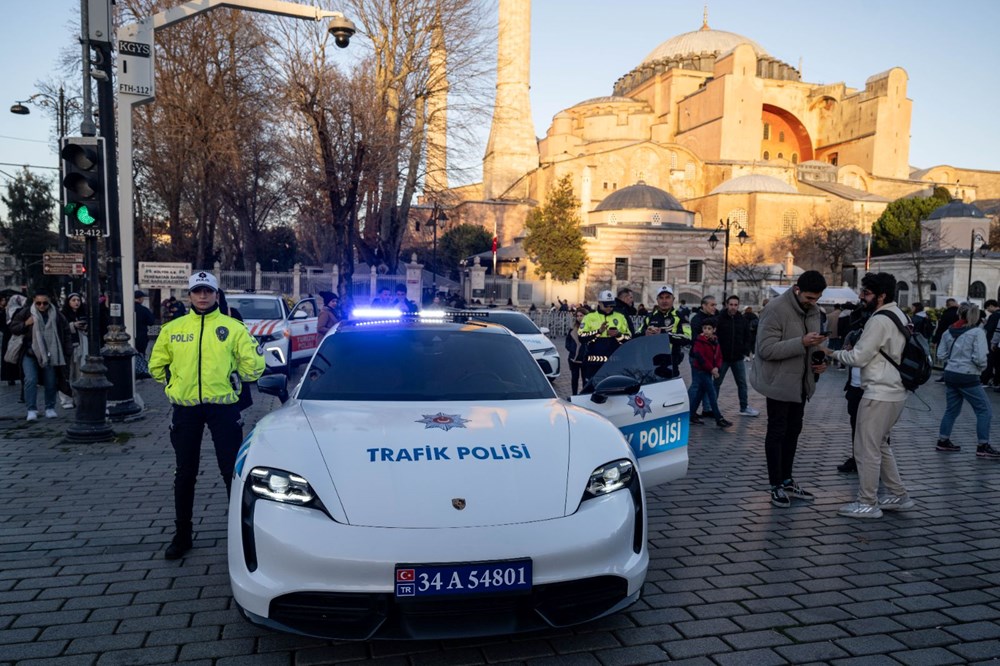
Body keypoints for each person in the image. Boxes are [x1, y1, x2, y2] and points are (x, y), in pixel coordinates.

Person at [149, 272, 265, 560]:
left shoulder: (233, 328)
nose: (203, 296)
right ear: (189, 295)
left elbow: (254, 366)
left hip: (223, 407)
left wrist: (236, 377)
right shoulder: (173, 329)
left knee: (231, 472)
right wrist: (175, 384)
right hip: (186, 408)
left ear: (216, 294)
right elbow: (156, 365)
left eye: (208, 291)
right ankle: (182, 534)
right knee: (185, 472)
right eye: (197, 291)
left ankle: (239, 535)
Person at [824, 272, 912, 518]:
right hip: (896, 390)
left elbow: (859, 357)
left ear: (881, 296)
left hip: (878, 392)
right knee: (880, 444)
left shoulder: (879, 320)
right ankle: (898, 495)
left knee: (866, 449)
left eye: (866, 293)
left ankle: (867, 502)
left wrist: (831, 353)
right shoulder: (899, 314)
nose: (861, 297)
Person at [750, 270, 828, 508]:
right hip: (778, 383)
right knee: (777, 432)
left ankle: (787, 479)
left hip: (801, 383)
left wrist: (819, 361)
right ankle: (775, 485)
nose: (813, 303)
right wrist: (801, 342)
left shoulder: (814, 311)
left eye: (817, 298)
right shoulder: (775, 309)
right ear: (797, 289)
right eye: (809, 298)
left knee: (793, 431)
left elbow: (813, 346)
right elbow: (766, 349)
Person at [934, 302, 997, 458]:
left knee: (951, 410)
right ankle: (983, 445)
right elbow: (980, 357)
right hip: (968, 375)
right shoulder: (977, 332)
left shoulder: (948, 332)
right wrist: (980, 368)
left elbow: (940, 354)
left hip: (950, 373)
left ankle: (943, 440)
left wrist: (953, 360)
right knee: (984, 410)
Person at [8, 289, 72, 421]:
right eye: (38, 303)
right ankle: (31, 409)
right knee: (30, 379)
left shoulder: (57, 315)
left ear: (49, 302)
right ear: (34, 301)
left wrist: (67, 350)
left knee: (51, 381)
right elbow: (13, 328)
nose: (41, 306)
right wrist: (26, 324)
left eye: (44, 303)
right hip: (30, 352)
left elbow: (66, 332)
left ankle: (50, 407)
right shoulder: (26, 312)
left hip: (51, 352)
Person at [715, 295, 758, 416]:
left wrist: (745, 350)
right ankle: (711, 408)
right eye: (731, 304)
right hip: (723, 357)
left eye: (735, 305)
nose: (733, 307)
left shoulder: (742, 320)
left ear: (738, 306)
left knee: (742, 383)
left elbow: (747, 336)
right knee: (716, 383)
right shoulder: (719, 319)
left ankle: (744, 407)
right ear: (727, 305)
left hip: (737, 357)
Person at [688, 318, 732, 428]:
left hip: (709, 370)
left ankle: (691, 415)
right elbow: (700, 357)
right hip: (701, 370)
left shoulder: (715, 340)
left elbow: (719, 356)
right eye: (704, 328)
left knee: (700, 393)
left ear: (714, 330)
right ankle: (719, 418)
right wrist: (712, 369)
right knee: (712, 393)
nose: (706, 331)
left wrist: (717, 367)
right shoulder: (699, 341)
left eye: (709, 328)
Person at [579, 290, 632, 381]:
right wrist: (598, 332)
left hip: (614, 364)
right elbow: (581, 337)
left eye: (611, 305)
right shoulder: (589, 317)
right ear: (599, 303)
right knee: (591, 388)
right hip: (594, 365)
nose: (609, 308)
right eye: (606, 305)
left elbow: (629, 339)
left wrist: (618, 334)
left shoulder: (620, 317)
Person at [639, 286, 688, 378]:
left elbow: (687, 338)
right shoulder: (649, 317)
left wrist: (664, 335)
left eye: (667, 297)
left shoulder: (680, 317)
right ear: (657, 300)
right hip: (650, 363)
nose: (664, 301)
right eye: (661, 298)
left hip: (671, 363)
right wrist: (645, 333)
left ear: (673, 299)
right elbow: (636, 335)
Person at [690, 295, 719, 416]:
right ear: (704, 305)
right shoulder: (696, 319)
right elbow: (696, 339)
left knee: (707, 384)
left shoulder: (714, 317)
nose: (714, 307)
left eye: (715, 305)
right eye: (712, 305)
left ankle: (706, 409)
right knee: (696, 385)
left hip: (709, 357)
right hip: (697, 357)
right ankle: (689, 410)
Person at [58, 293, 88, 409]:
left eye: (78, 300)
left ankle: (78, 398)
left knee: (80, 373)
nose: (76, 302)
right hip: (69, 347)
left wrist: (84, 327)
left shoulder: (83, 313)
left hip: (82, 346)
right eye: (73, 300)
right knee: (68, 373)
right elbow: (61, 330)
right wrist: (73, 325)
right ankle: (66, 399)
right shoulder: (63, 315)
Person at [2, 293, 26, 387]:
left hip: (7, 336)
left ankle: (9, 377)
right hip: (17, 335)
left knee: (9, 356)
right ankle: (19, 376)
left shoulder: (8, 310)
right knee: (18, 355)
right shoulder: (20, 311)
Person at [565, 308, 587, 395]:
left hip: (585, 358)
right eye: (577, 316)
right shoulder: (572, 329)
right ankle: (574, 395)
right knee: (574, 378)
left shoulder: (590, 328)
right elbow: (567, 342)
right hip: (573, 358)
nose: (579, 317)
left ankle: (584, 396)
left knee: (585, 379)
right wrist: (572, 349)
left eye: (581, 315)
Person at [980, 299, 999, 386]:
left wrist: (985, 323)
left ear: (991, 306)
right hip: (998, 342)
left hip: (991, 341)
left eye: (988, 308)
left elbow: (990, 328)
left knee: (990, 361)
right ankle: (995, 381)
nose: (988, 310)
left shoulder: (994, 316)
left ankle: (986, 380)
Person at [134, 290, 155, 356]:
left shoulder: (128, 309)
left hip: (130, 335)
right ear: (140, 299)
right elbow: (151, 322)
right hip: (142, 336)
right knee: (141, 354)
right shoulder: (144, 310)